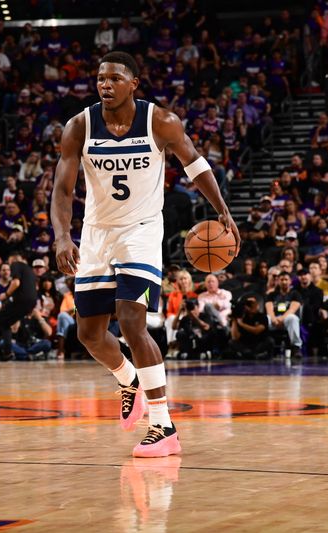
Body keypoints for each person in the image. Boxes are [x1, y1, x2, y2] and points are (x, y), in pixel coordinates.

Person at [51, 51, 238, 457]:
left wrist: (222, 209)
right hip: (97, 233)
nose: (105, 84)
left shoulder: (161, 121)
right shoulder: (79, 126)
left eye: (115, 78)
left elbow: (194, 162)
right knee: (88, 334)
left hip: (141, 232)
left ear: (134, 83)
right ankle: (128, 378)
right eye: (101, 78)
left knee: (132, 321)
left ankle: (163, 425)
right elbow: (62, 189)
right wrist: (62, 236)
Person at [0, 252, 38, 360]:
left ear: (13, 259)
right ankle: (7, 353)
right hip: (31, 302)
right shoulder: (29, 270)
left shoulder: (16, 264)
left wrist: (5, 295)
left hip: (21, 300)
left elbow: (16, 283)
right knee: (6, 323)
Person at [265, 272, 303, 357]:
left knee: (292, 318)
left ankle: (296, 347)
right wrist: (274, 319)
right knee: (265, 319)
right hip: (274, 319)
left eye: (286, 279)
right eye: (281, 279)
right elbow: (269, 309)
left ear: (290, 281)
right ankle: (263, 346)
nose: (284, 282)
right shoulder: (272, 294)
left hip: (287, 320)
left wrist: (280, 319)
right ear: (278, 281)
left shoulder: (295, 294)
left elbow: (292, 309)